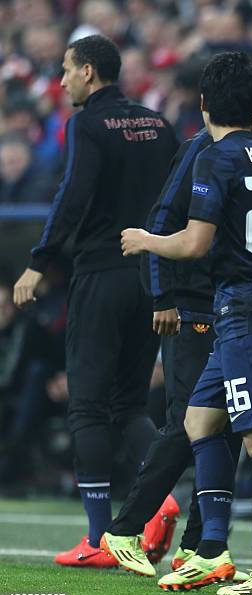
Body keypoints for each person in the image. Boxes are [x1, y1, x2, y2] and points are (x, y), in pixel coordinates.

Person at [119, 51, 252, 595]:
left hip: (245, 306)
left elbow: (195, 242)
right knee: (200, 420)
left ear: (203, 104)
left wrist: (147, 240)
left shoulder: (215, 157)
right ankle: (213, 551)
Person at [12, 34, 179, 567]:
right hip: (151, 275)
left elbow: (73, 194)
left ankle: (99, 537)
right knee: (130, 404)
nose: (60, 81)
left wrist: (39, 261)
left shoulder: (85, 123)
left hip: (102, 272)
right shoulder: (158, 123)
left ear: (88, 72)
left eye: (65, 70)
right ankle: (164, 497)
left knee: (86, 404)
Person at [101, 97, 252, 580]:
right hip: (194, 306)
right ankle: (126, 527)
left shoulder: (251, 155)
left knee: (230, 423)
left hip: (231, 308)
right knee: (187, 422)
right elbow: (161, 219)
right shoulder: (202, 149)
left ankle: (201, 549)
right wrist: (162, 297)